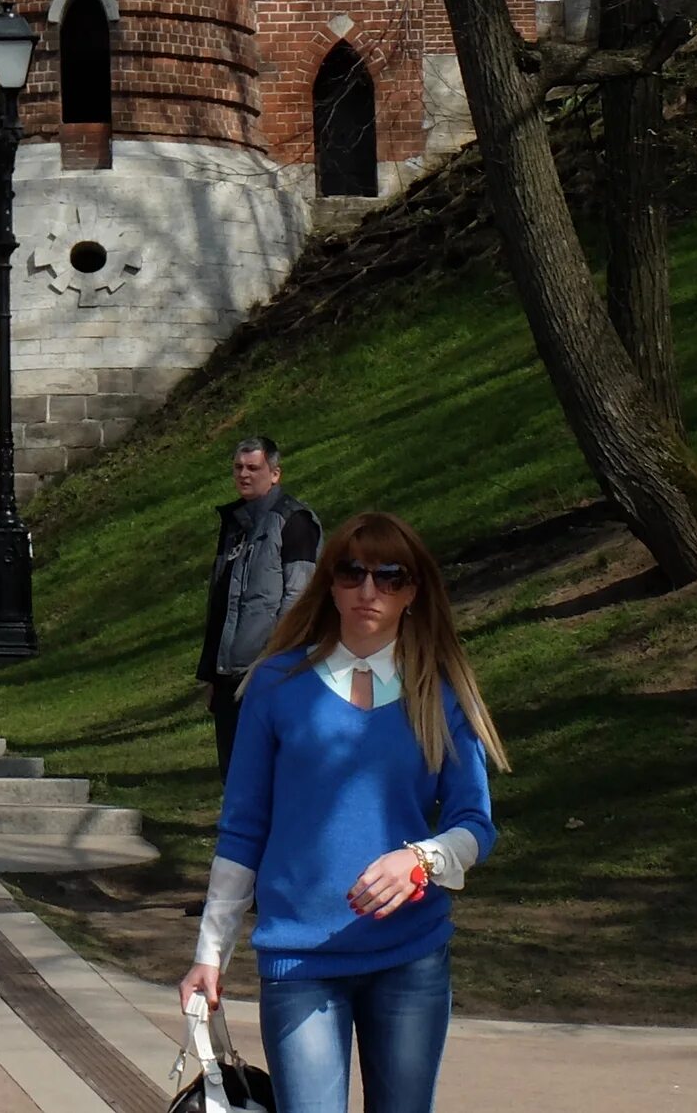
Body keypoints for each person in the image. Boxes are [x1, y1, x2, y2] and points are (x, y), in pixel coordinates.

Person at [182, 512, 505, 1113]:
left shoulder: (439, 691)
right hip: (301, 959)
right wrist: (209, 954)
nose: (368, 590)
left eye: (390, 576)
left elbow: (475, 823)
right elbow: (243, 827)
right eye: (352, 572)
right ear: (328, 583)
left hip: (411, 956)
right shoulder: (276, 685)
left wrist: (420, 861)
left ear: (414, 592)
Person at [202, 435, 323, 772]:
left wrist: (277, 660)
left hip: (268, 668)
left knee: (263, 765)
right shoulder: (235, 525)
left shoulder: (294, 521)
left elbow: (299, 598)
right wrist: (212, 671)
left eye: (253, 468)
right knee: (232, 767)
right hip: (229, 669)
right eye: (238, 468)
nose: (244, 474)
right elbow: (222, 602)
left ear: (274, 474)